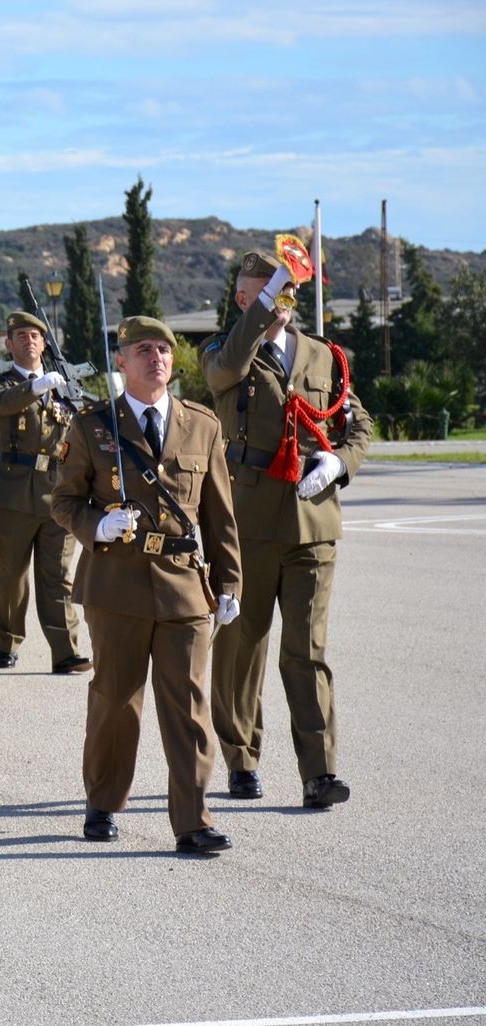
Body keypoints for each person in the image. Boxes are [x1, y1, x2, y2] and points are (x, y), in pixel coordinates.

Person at [52, 315, 243, 853]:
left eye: (163, 349)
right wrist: (97, 525)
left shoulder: (201, 425)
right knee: (116, 700)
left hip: (183, 585)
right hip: (116, 583)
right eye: (142, 349)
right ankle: (104, 802)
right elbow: (63, 502)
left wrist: (230, 582)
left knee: (187, 705)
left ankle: (193, 820)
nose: (155, 357)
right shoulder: (92, 425)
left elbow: (220, 517)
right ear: (121, 361)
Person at [202, 251, 372, 808]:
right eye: (265, 291)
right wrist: (265, 310)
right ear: (243, 300)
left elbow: (357, 420)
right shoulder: (225, 352)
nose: (279, 301)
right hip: (247, 523)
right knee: (240, 648)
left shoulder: (323, 356)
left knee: (306, 650)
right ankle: (241, 757)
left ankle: (319, 772)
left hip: (313, 521)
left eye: (285, 290)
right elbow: (226, 370)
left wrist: (340, 462)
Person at [0, 312, 90, 673]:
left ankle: (66, 652)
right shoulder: (0, 384)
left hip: (58, 491)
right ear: (8, 344)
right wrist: (35, 387)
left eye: (35, 335)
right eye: (21, 335)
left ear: (44, 343)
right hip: (14, 491)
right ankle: (4, 641)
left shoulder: (61, 385)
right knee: (10, 574)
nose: (29, 340)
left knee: (58, 576)